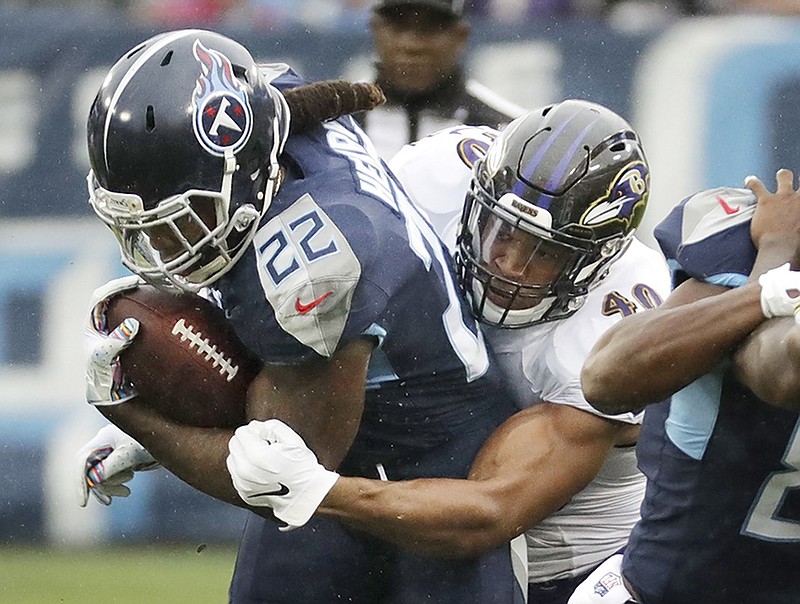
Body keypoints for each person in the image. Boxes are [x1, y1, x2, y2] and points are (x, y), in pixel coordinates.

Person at [76, 28, 525, 603]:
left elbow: (280, 469)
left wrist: (139, 419)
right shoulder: (265, 120)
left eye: (171, 221)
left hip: (436, 465)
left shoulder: (316, 263)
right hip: (348, 418)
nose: (157, 250)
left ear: (238, 182)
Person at [224, 99, 673, 604]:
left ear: (597, 262)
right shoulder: (430, 179)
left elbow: (490, 510)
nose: (511, 264)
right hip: (396, 495)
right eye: (503, 231)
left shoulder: (612, 330)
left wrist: (317, 490)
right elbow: (306, 305)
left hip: (562, 563)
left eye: (546, 252)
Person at [571, 170, 800, 603]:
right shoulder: (738, 254)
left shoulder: (770, 244)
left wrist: (774, 259)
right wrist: (770, 280)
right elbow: (605, 379)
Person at [357, 0, 523, 159]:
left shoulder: (507, 133)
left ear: (461, 36)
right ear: (375, 29)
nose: (411, 45)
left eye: (430, 28)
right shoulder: (340, 122)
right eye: (398, 27)